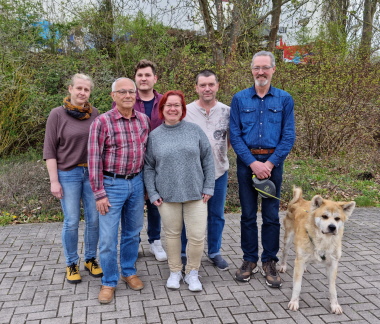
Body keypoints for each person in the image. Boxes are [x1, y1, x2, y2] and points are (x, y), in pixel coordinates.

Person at [229, 51, 296, 288]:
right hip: (247, 164)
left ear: (273, 69)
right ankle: (249, 260)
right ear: (251, 70)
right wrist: (253, 163)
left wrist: (268, 164)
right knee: (247, 215)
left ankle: (269, 260)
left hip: (272, 165)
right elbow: (235, 135)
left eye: (265, 67)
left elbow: (288, 136)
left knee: (270, 216)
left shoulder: (284, 99)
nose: (261, 72)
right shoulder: (239, 99)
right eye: (257, 68)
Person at [144, 90, 215, 292]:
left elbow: (207, 159)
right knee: (172, 235)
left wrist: (209, 186)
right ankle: (175, 271)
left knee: (197, 236)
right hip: (167, 197)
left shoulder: (195, 130)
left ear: (183, 109)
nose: (173, 109)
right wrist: (153, 192)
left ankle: (192, 272)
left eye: (177, 105)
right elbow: (148, 166)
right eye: (169, 105)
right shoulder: (154, 136)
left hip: (196, 194)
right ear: (162, 109)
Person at [88, 77, 150, 304]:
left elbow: (146, 156)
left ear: (136, 95)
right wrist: (99, 193)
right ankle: (109, 281)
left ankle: (128, 271)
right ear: (113, 96)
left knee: (133, 233)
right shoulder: (101, 122)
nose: (127, 95)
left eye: (131, 91)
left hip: (136, 182)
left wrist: (145, 185)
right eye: (122, 92)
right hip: (111, 186)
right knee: (107, 238)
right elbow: (94, 159)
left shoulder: (143, 120)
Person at [43, 73, 103, 284]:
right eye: (79, 88)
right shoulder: (57, 115)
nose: (82, 92)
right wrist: (54, 181)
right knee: (71, 221)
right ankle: (71, 263)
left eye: (86, 90)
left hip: (92, 175)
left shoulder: (95, 114)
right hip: (67, 174)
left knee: (94, 220)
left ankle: (90, 259)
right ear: (70, 89)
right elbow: (49, 150)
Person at [181, 70, 230, 270]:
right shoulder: (185, 111)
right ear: (196, 88)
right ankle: (184, 252)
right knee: (187, 215)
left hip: (219, 172)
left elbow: (229, 141)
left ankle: (214, 252)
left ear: (217, 86)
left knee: (216, 215)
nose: (207, 88)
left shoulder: (227, 111)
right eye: (203, 85)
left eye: (211, 84)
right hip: (191, 175)